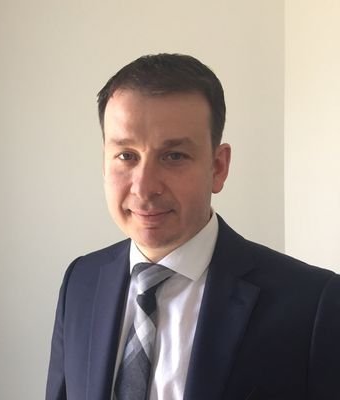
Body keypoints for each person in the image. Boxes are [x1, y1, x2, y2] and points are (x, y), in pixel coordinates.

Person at [46, 54, 340, 400]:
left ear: (218, 167)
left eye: (173, 156)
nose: (144, 187)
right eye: (126, 155)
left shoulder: (313, 303)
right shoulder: (80, 282)